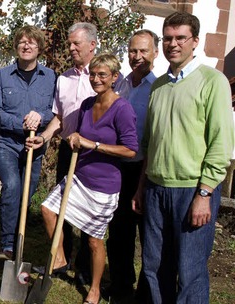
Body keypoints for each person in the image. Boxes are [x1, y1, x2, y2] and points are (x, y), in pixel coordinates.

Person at [132, 12, 234, 304]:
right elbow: (150, 144)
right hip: (155, 189)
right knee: (154, 266)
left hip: (192, 191)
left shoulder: (213, 82)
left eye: (180, 38)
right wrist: (141, 186)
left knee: (189, 272)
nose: (172, 44)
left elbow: (220, 143)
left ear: (195, 42)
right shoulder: (159, 86)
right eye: (167, 38)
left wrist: (205, 192)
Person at [28, 53, 137, 304]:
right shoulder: (88, 104)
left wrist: (94, 144)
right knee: (47, 209)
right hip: (79, 176)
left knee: (94, 241)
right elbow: (75, 129)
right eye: (93, 74)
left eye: (102, 75)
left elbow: (130, 149)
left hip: (103, 186)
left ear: (114, 78)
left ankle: (95, 289)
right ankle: (60, 259)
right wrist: (71, 137)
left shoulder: (122, 109)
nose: (96, 79)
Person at [31, 22, 100, 284]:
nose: (70, 48)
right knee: (61, 208)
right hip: (67, 151)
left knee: (88, 212)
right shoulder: (64, 78)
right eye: (70, 43)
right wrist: (44, 137)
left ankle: (83, 267)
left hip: (93, 155)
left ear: (92, 45)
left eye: (76, 44)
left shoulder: (103, 76)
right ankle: (62, 258)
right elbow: (59, 118)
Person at [0, 25, 56, 261]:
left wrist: (41, 117)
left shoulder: (50, 77)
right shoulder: (1, 76)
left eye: (32, 42)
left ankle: (19, 238)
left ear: (39, 48)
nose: (26, 46)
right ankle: (7, 244)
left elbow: (54, 110)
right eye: (22, 42)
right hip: (6, 144)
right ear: (16, 47)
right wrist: (21, 123)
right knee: (12, 187)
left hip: (35, 146)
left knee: (26, 194)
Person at [105, 30, 159, 301]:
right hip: (120, 168)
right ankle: (120, 286)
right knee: (118, 232)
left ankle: (147, 292)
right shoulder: (122, 85)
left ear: (155, 54)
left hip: (145, 169)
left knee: (147, 235)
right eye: (133, 51)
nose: (137, 57)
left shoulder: (158, 88)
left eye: (143, 51)